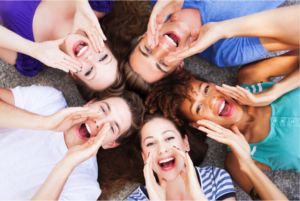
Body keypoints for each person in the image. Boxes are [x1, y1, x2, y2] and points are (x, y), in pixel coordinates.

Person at [145, 45, 300, 199]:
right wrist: (247, 163)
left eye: (205, 90)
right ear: (198, 124)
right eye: (199, 108)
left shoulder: (251, 77)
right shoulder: (235, 162)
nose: (211, 101)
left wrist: (275, 91)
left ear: (213, 84)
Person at [122, 1, 300, 97]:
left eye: (147, 50)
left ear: (143, 36)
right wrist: (225, 29)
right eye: (162, 63)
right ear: (178, 66)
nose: (162, 48)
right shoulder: (226, 51)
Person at [0, 84, 144, 200]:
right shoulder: (49, 100)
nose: (99, 122)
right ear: (89, 104)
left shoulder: (85, 187)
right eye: (103, 110)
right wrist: (45, 122)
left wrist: (67, 163)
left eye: (111, 127)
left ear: (110, 144)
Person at [0, 0, 150, 100]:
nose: (90, 57)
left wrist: (33, 49)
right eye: (103, 58)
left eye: (89, 71)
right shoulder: (97, 4)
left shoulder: (29, 61)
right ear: (107, 45)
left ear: (75, 75)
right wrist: (81, 5)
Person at [127, 113, 236, 201]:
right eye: (150, 143)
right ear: (144, 157)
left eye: (169, 138)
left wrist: (199, 197)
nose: (162, 149)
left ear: (186, 144)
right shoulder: (135, 199)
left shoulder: (216, 179)